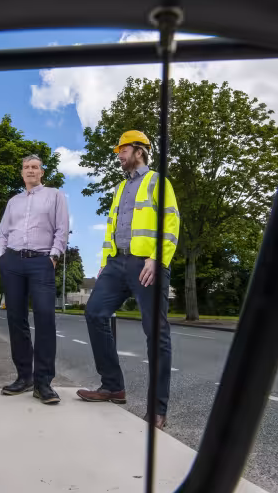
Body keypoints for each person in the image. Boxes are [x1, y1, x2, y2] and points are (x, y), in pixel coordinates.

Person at [76, 130, 179, 429]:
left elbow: (171, 222)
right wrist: (105, 262)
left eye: (123, 149)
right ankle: (113, 386)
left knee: (155, 333)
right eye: (118, 150)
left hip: (147, 264)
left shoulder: (158, 182)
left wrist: (157, 258)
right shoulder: (121, 188)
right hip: (116, 262)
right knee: (95, 312)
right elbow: (112, 227)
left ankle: (157, 409)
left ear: (140, 150)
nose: (118, 155)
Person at [0, 154, 69, 405]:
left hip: (41, 261)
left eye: (35, 167)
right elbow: (3, 233)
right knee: (16, 319)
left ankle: (44, 383)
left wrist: (54, 256)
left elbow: (62, 228)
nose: (30, 170)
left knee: (45, 317)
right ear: (22, 172)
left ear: (41, 172)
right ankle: (24, 377)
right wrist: (1, 258)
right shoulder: (13, 202)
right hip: (13, 262)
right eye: (26, 167)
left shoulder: (55, 196)